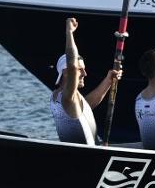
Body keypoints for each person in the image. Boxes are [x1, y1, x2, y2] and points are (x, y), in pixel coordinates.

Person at [51, 17, 119, 145]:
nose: (85, 74)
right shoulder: (66, 97)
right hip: (89, 156)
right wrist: (69, 33)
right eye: (80, 69)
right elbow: (72, 66)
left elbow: (87, 105)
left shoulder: (67, 99)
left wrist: (108, 81)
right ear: (66, 73)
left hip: (94, 149)